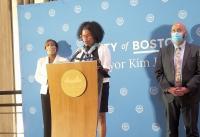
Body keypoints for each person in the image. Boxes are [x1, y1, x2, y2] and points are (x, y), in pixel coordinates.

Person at [155, 22, 200, 137]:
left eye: (179, 30)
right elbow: (158, 73)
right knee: (171, 132)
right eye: (173, 31)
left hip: (190, 96)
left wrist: (187, 88)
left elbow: (199, 73)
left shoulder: (196, 50)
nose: (176, 33)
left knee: (192, 131)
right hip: (170, 97)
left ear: (184, 32)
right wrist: (169, 88)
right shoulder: (163, 51)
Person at [73, 21, 111, 137]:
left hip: (101, 86)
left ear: (95, 35)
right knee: (86, 116)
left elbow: (106, 69)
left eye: (88, 35)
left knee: (100, 116)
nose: (85, 38)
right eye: (83, 36)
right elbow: (74, 69)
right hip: (83, 87)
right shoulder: (79, 52)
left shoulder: (102, 49)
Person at [35, 39, 67, 137]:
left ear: (56, 48)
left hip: (59, 93)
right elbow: (37, 76)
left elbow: (66, 76)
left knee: (60, 118)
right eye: (48, 45)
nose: (50, 46)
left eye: (52, 45)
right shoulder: (41, 61)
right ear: (45, 48)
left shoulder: (64, 61)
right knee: (47, 119)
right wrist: (47, 81)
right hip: (45, 92)